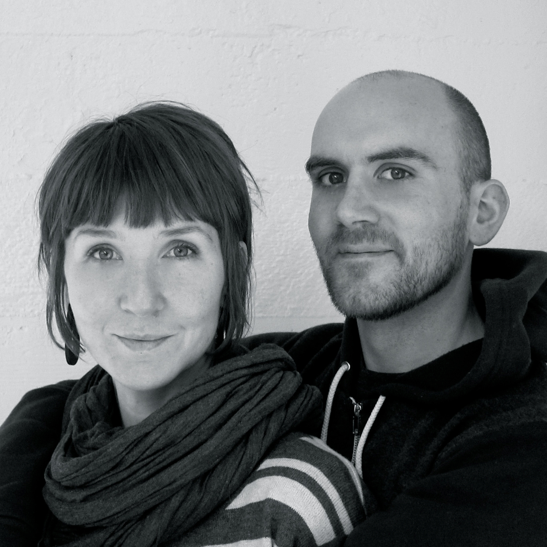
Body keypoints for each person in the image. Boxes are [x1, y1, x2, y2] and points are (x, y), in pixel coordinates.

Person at [2, 70, 547, 546]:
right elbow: (100, 388)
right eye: (331, 177)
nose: (350, 209)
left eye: (396, 172)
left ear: (483, 211)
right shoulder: (304, 364)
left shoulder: (523, 443)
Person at [0, 102, 367, 546]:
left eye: (180, 250)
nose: (141, 300)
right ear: (60, 272)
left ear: (232, 271)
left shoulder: (297, 498)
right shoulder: (34, 475)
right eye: (103, 252)